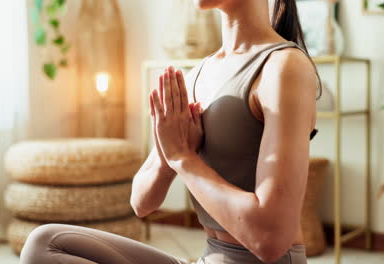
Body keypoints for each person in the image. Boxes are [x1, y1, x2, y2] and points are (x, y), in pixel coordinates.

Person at [20, 0, 321, 263]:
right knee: (45, 245)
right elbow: (141, 201)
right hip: (207, 258)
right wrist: (167, 152)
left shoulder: (284, 68)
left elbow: (270, 240)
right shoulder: (197, 76)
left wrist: (184, 159)